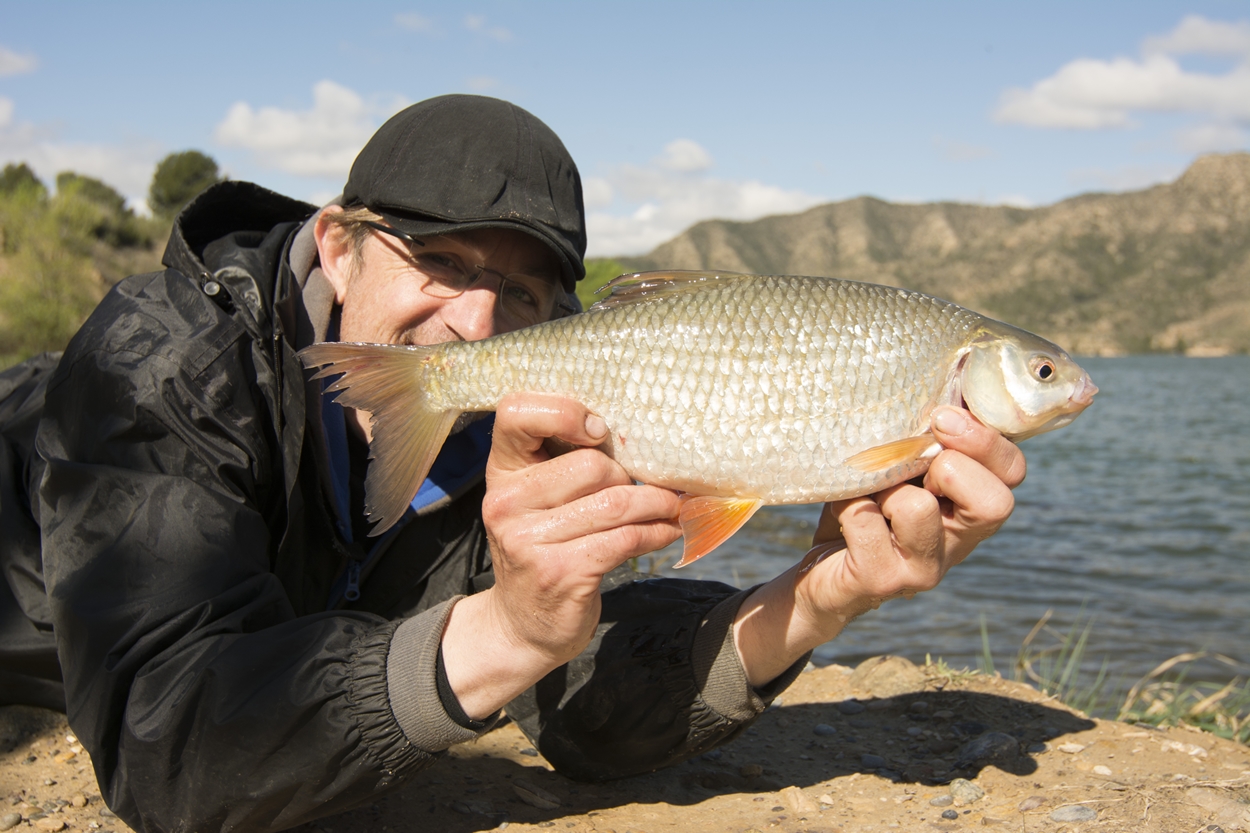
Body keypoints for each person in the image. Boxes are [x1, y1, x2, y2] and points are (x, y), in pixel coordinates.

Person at [0, 95, 1025, 831]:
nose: (475, 321)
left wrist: (821, 593)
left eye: (524, 293)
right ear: (340, 245)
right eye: (440, 260)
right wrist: (497, 630)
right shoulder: (163, 362)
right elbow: (161, 740)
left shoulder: (545, 410)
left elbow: (579, 699)